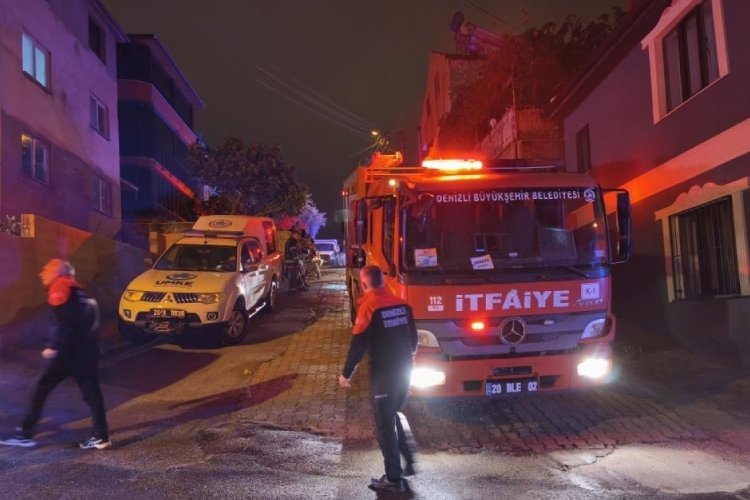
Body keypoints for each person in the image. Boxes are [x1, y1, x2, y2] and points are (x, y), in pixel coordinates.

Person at [0, 259, 111, 450]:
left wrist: (54, 346)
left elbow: (66, 322)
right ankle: (101, 436)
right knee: (92, 394)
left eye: (46, 269)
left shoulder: (60, 286)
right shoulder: (80, 290)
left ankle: (25, 434)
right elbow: (88, 321)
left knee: (40, 388)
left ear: (57, 272)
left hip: (69, 353)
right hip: (87, 352)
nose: (41, 274)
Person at [339, 265, 418, 493]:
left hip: (384, 376)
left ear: (364, 283)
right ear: (382, 281)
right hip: (404, 371)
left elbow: (358, 345)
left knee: (384, 426)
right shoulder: (402, 305)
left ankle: (393, 478)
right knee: (394, 414)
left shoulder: (369, 307)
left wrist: (346, 374)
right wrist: (408, 360)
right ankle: (409, 463)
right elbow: (413, 339)